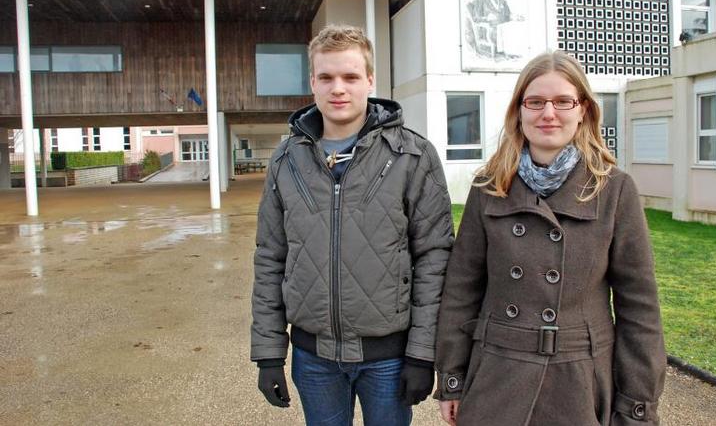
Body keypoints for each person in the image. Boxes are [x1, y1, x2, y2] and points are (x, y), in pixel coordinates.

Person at [434, 51, 666, 425]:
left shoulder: (614, 190)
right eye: (536, 102)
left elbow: (639, 307)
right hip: (497, 375)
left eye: (562, 102)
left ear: (583, 111)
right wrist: (452, 378)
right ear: (519, 111)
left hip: (578, 381)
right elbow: (462, 288)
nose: (548, 113)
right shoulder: (489, 187)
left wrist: (637, 403)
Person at [251, 25, 454, 425]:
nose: (338, 88)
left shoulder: (413, 156)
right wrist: (269, 352)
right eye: (326, 77)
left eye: (350, 77)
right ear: (312, 82)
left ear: (370, 80)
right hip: (314, 359)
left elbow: (435, 258)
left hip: (390, 360)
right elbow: (270, 257)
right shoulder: (286, 160)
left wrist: (421, 353)